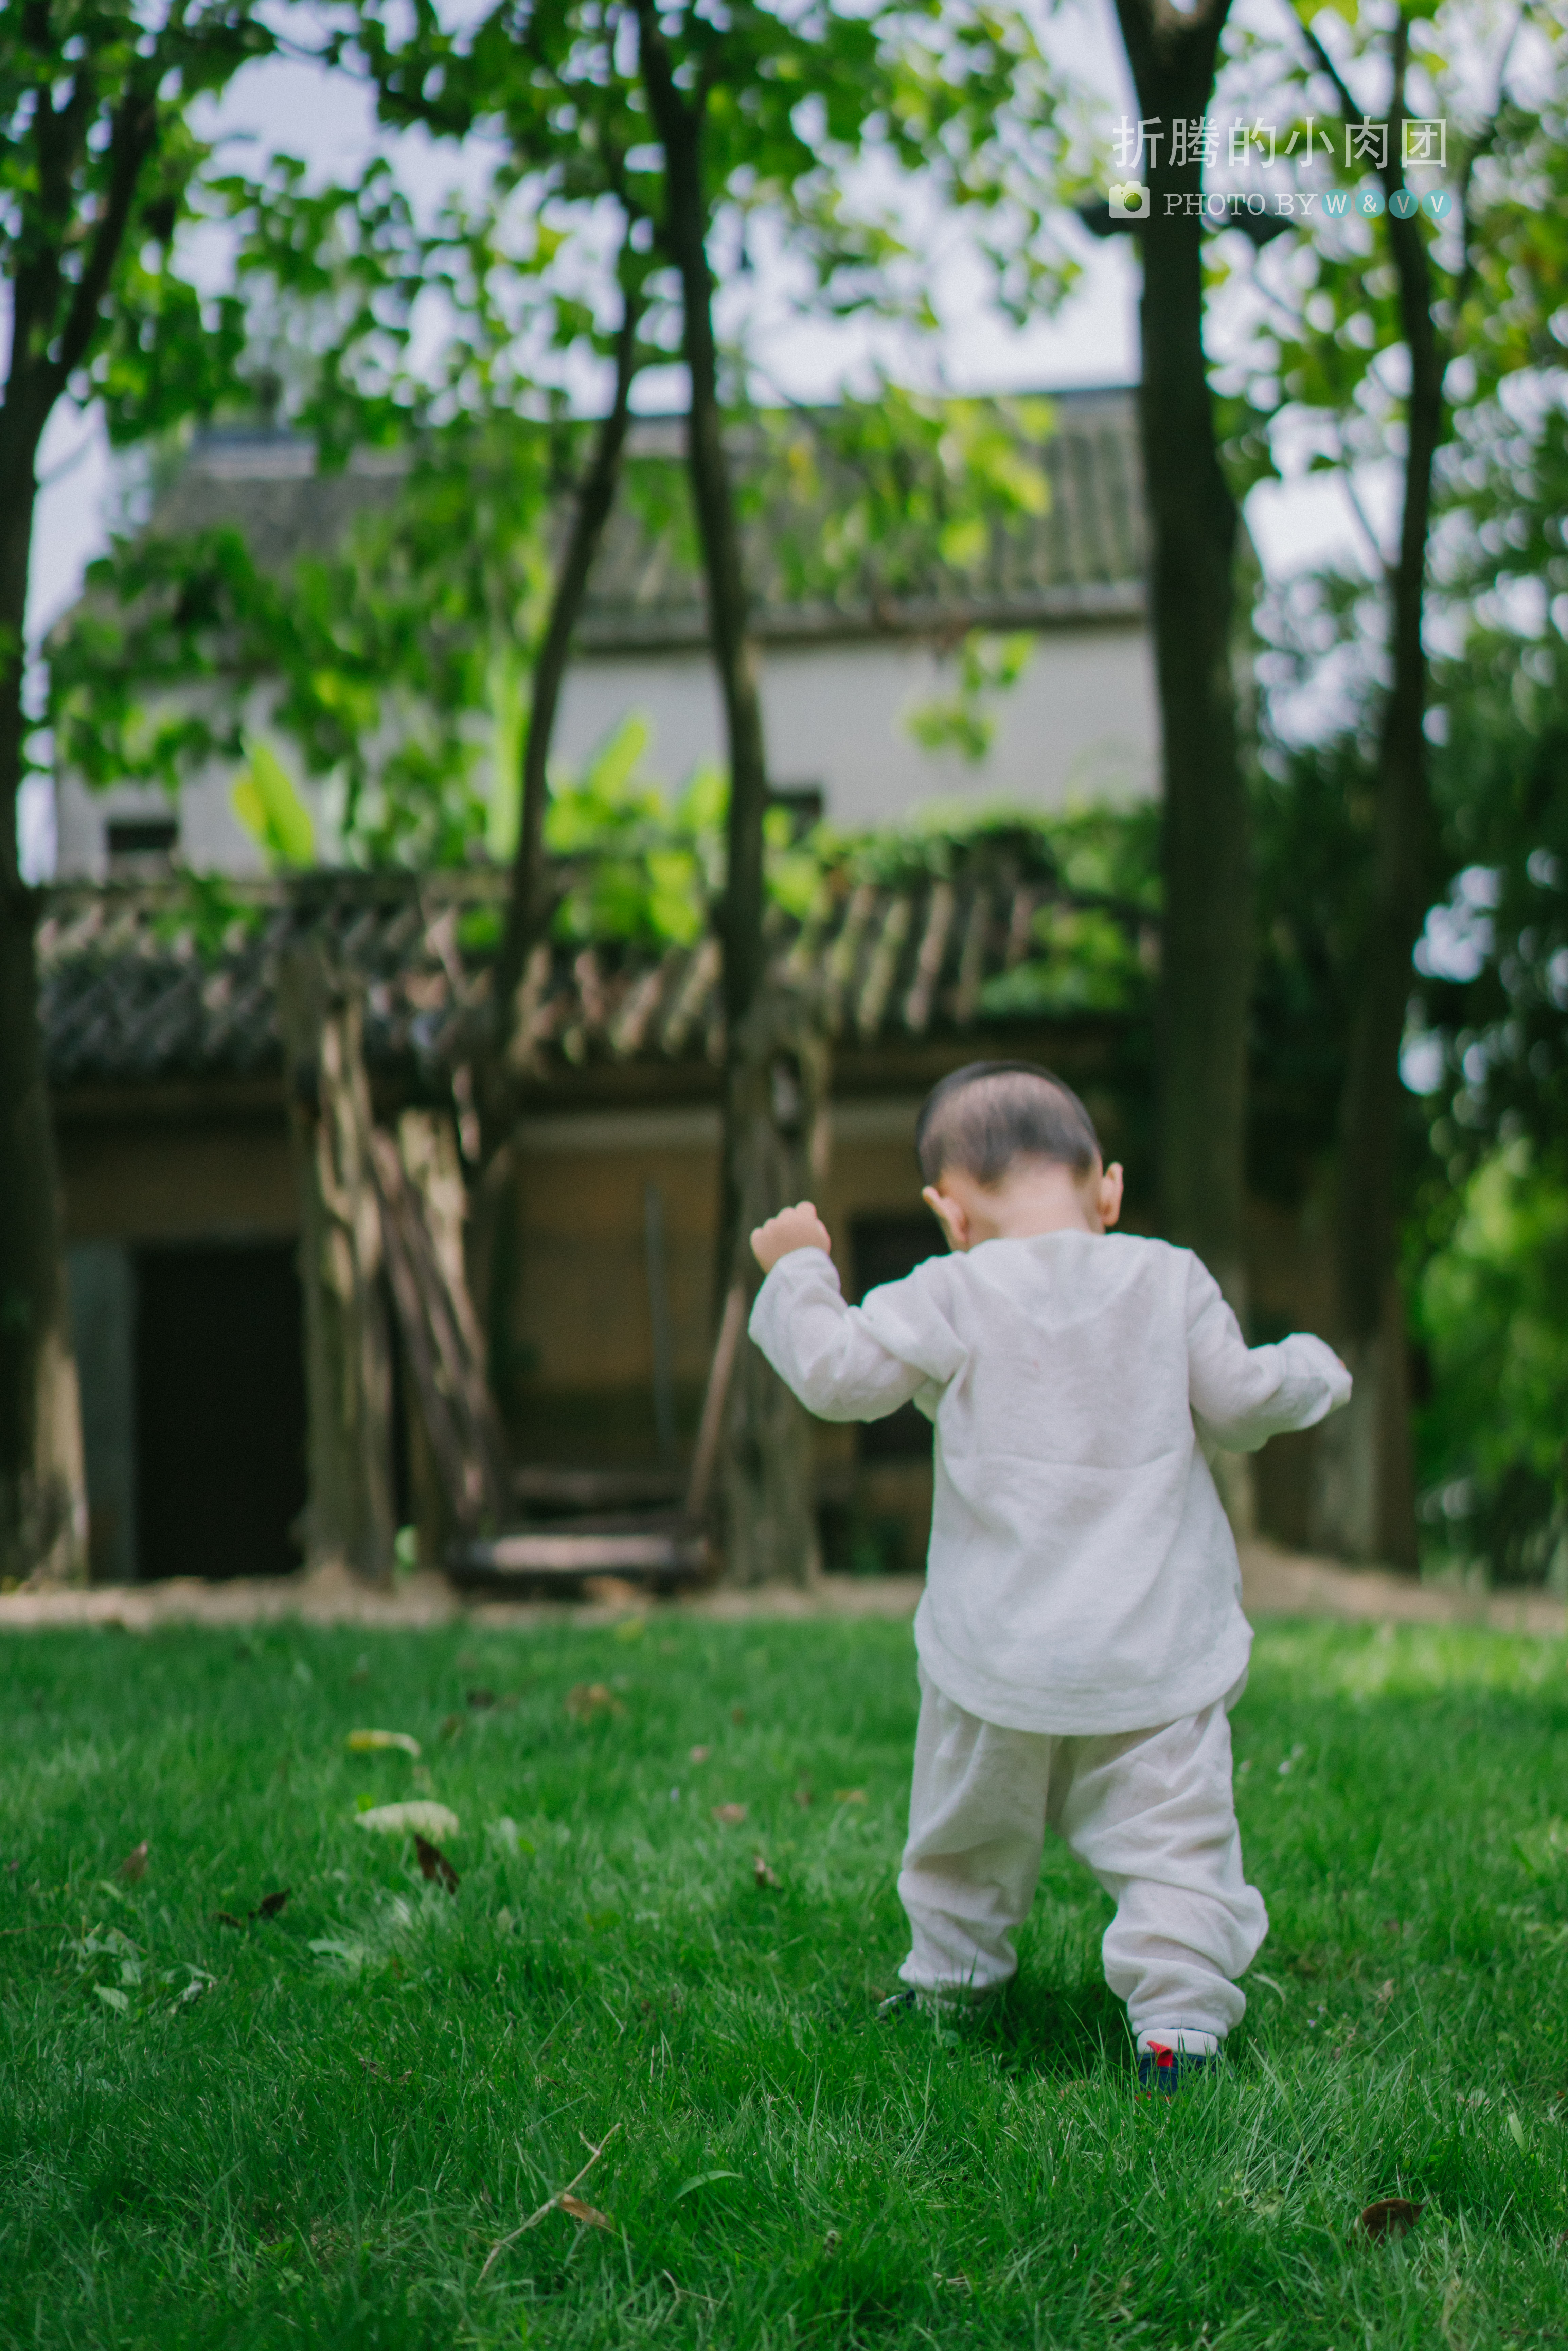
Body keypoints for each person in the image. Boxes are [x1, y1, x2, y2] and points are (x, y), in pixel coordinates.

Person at [748, 1060, 1350, 2093]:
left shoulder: (952, 1288)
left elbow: (839, 1379)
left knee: (964, 1833)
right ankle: (1178, 2028)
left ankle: (949, 1982)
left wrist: (803, 1269)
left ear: (949, 1210)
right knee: (1176, 1845)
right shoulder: (1170, 1279)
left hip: (999, 1651)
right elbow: (1246, 1404)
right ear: (1106, 1190)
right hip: (1154, 1650)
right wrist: (1313, 1368)